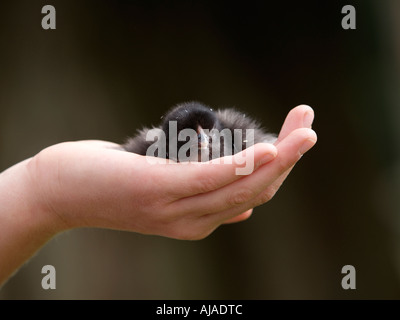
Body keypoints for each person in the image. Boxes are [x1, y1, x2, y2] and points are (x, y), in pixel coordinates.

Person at [0, 105, 316, 286]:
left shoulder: (233, 134)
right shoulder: (153, 149)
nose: (204, 142)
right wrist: (45, 189)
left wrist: (42, 189)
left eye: (208, 132)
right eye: (192, 136)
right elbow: (131, 153)